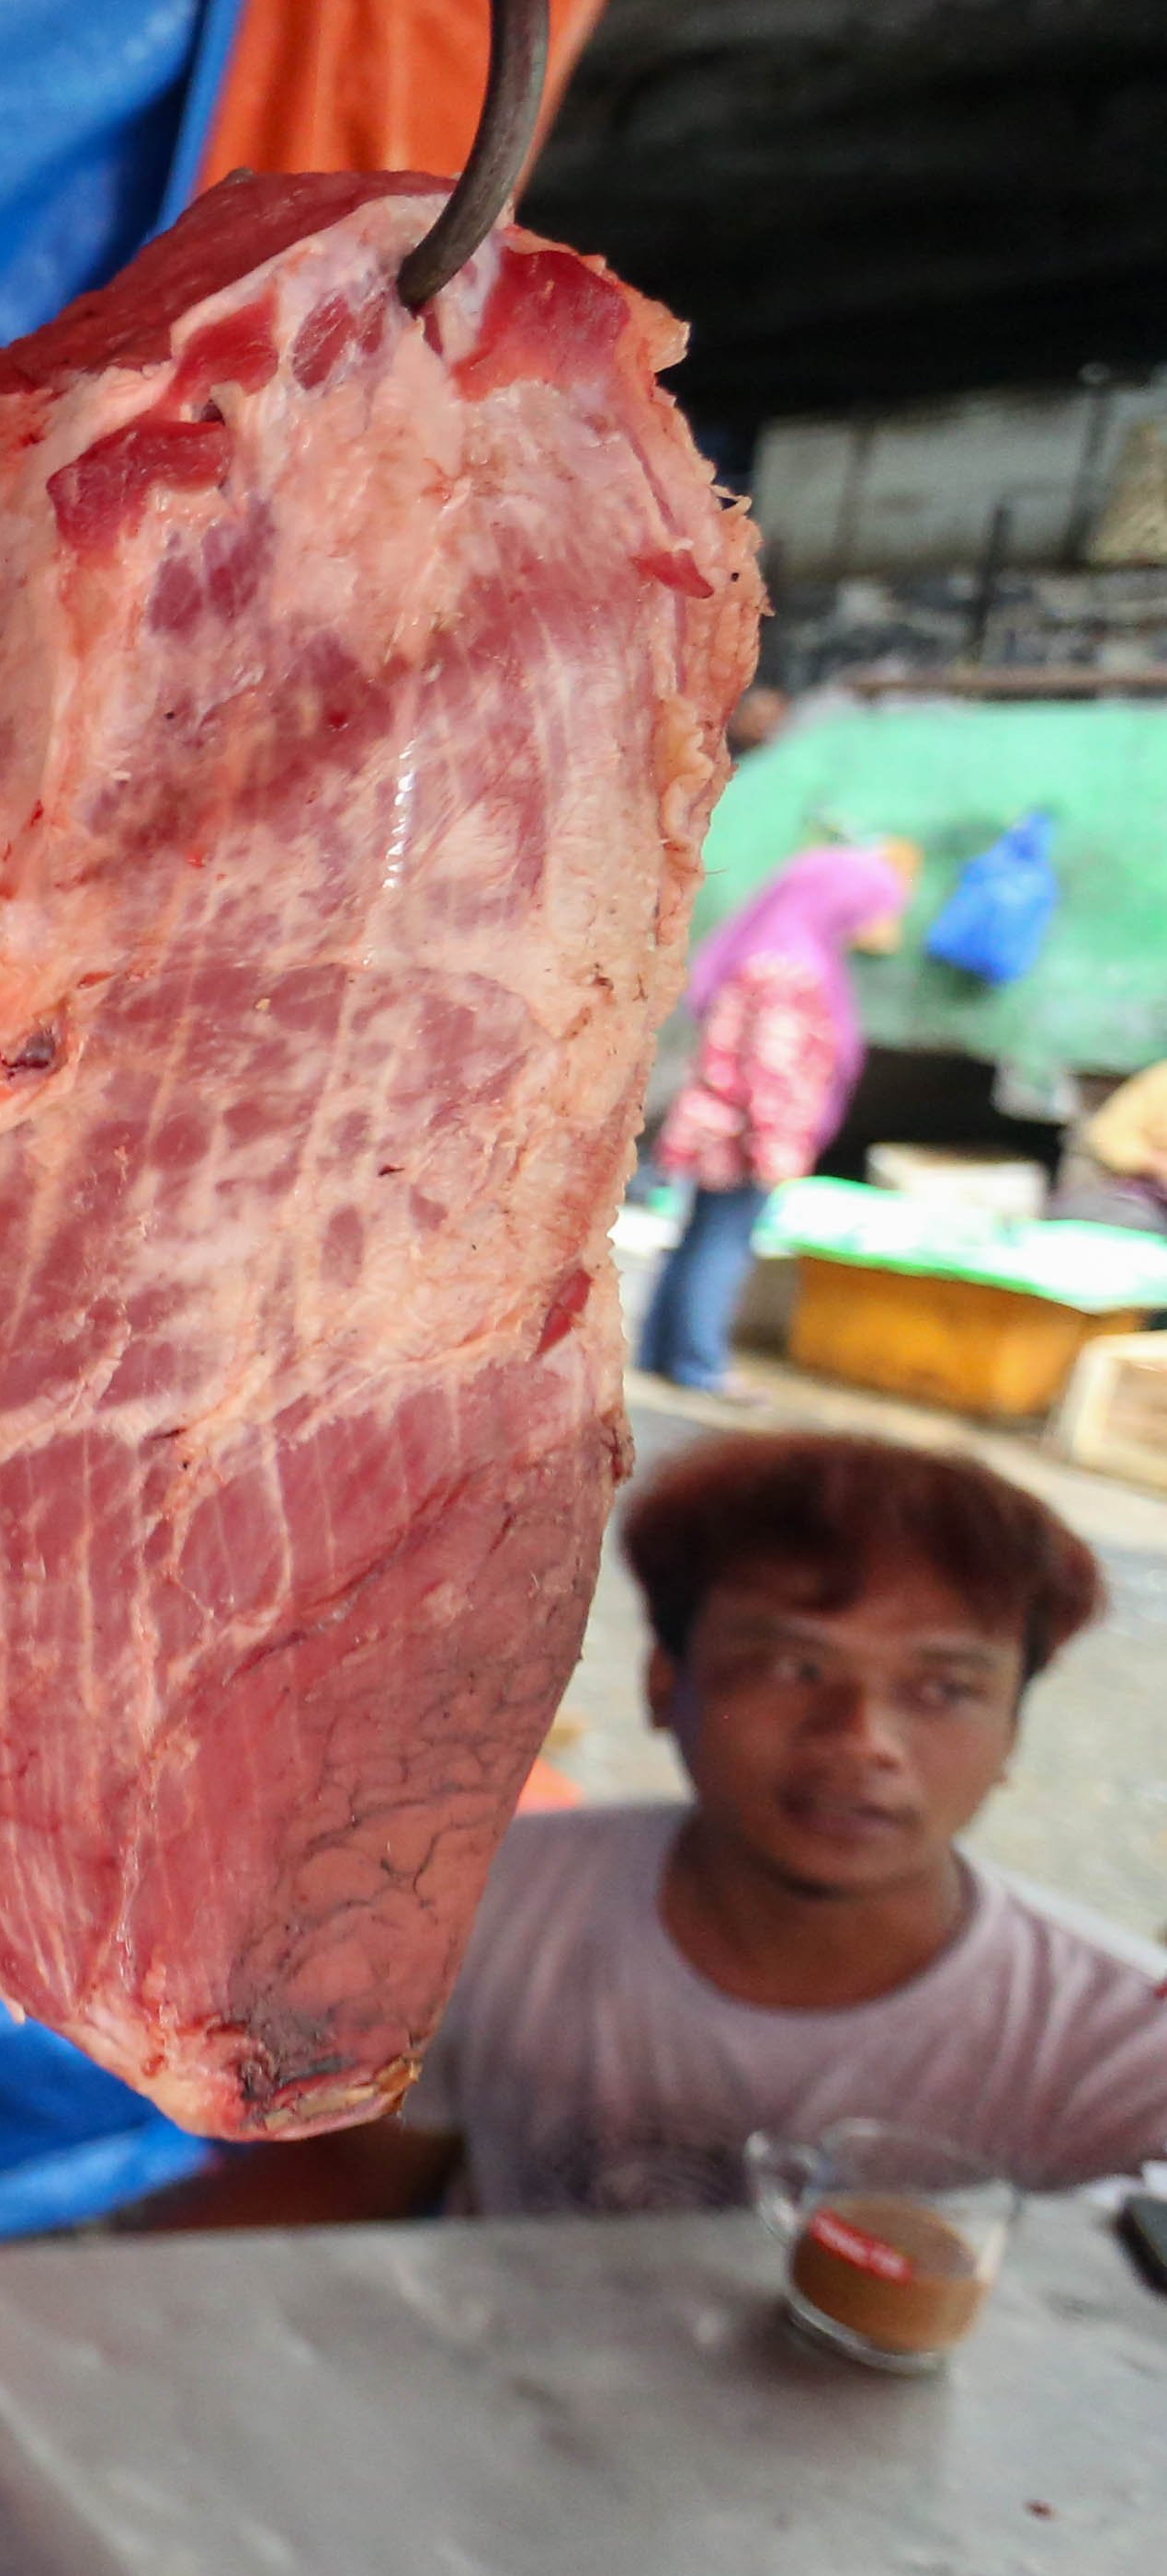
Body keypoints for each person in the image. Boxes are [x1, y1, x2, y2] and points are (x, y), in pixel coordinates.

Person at [136, 1431, 1167, 2229]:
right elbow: (344, 2186)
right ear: (662, 1684)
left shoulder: (1118, 2047)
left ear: (1010, 1729)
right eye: (791, 1667)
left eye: (941, 1689)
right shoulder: (470, 1910)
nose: (860, 1742)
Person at [640, 841, 918, 1395]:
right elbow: (772, 1074)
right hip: (743, 1138)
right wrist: (778, 1155)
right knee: (724, 1242)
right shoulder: (789, 971)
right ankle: (699, 1364)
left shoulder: (775, 954)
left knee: (701, 1237)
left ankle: (662, 1352)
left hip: (722, 1129)